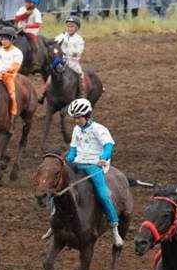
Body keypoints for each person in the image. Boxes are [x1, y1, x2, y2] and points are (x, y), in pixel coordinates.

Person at [43, 99, 124, 246]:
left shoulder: (99, 129)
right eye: (74, 118)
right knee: (56, 189)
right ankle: (54, 223)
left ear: (87, 116)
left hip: (94, 165)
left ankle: (114, 228)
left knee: (103, 194)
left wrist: (103, 158)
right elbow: (73, 150)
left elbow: (108, 145)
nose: (76, 121)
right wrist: (66, 161)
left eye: (78, 117)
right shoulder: (76, 130)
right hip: (77, 164)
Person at [41, 16, 86, 102]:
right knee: (51, 76)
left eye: (72, 26)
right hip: (61, 61)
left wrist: (69, 53)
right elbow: (55, 42)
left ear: (76, 28)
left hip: (73, 62)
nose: (69, 28)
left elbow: (79, 52)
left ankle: (81, 93)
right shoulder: (62, 35)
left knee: (80, 74)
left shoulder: (79, 39)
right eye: (68, 26)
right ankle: (43, 93)